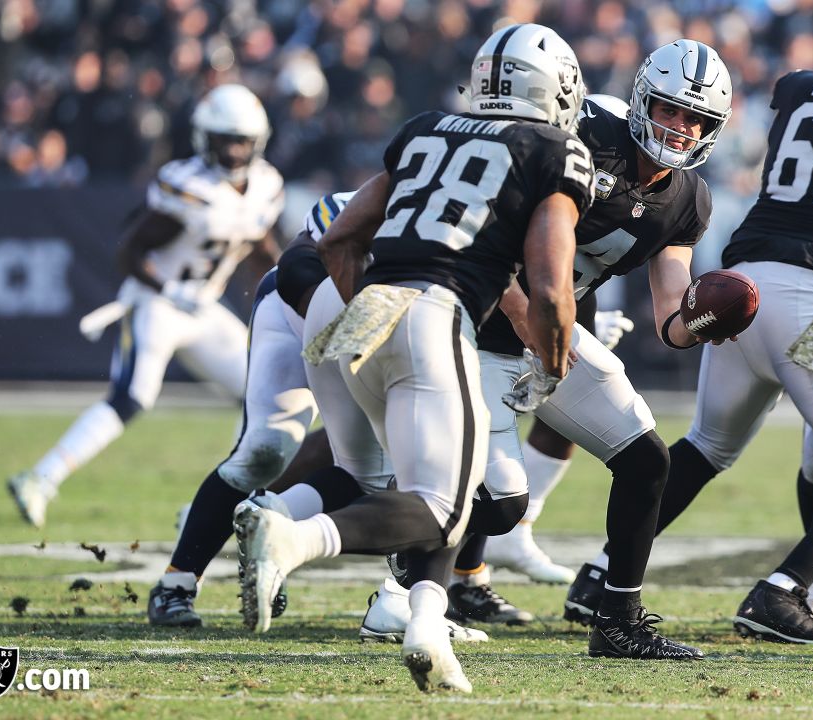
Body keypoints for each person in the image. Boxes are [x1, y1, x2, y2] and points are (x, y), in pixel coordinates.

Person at [564, 0, 813, 644]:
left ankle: (603, 576)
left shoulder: (799, 89)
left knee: (709, 443)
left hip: (743, 280)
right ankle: (784, 590)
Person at [231, 23, 593, 693]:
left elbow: (339, 240)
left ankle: (426, 627)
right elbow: (550, 286)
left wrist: (374, 306)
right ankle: (290, 538)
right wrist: (551, 357)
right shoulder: (555, 149)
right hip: (431, 312)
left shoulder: (429, 127)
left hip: (358, 311)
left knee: (429, 487)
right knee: (442, 506)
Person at [435, 42, 731, 643]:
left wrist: (702, 323)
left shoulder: (688, 199)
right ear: (644, 98)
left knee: (647, 459)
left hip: (547, 331)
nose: (682, 128)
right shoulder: (584, 129)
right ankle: (409, 593)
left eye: (696, 119)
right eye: (672, 111)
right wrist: (526, 316)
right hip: (475, 317)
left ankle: (617, 621)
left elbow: (671, 313)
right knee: (489, 496)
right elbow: (492, 224)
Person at [7, 84, 284, 528]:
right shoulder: (186, 183)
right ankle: (40, 477)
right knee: (132, 396)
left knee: (260, 393)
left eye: (241, 141)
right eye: (224, 139)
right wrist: (168, 288)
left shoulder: (267, 186)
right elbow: (129, 252)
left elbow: (261, 246)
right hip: (160, 300)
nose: (233, 151)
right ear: (203, 138)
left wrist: (286, 283)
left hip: (204, 306)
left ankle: (228, 502)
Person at [146, 191, 372, 627]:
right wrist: (345, 332)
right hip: (298, 314)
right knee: (262, 453)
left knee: (374, 471)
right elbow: (297, 263)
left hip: (377, 335)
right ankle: (176, 583)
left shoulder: (472, 218)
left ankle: (269, 523)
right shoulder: (365, 202)